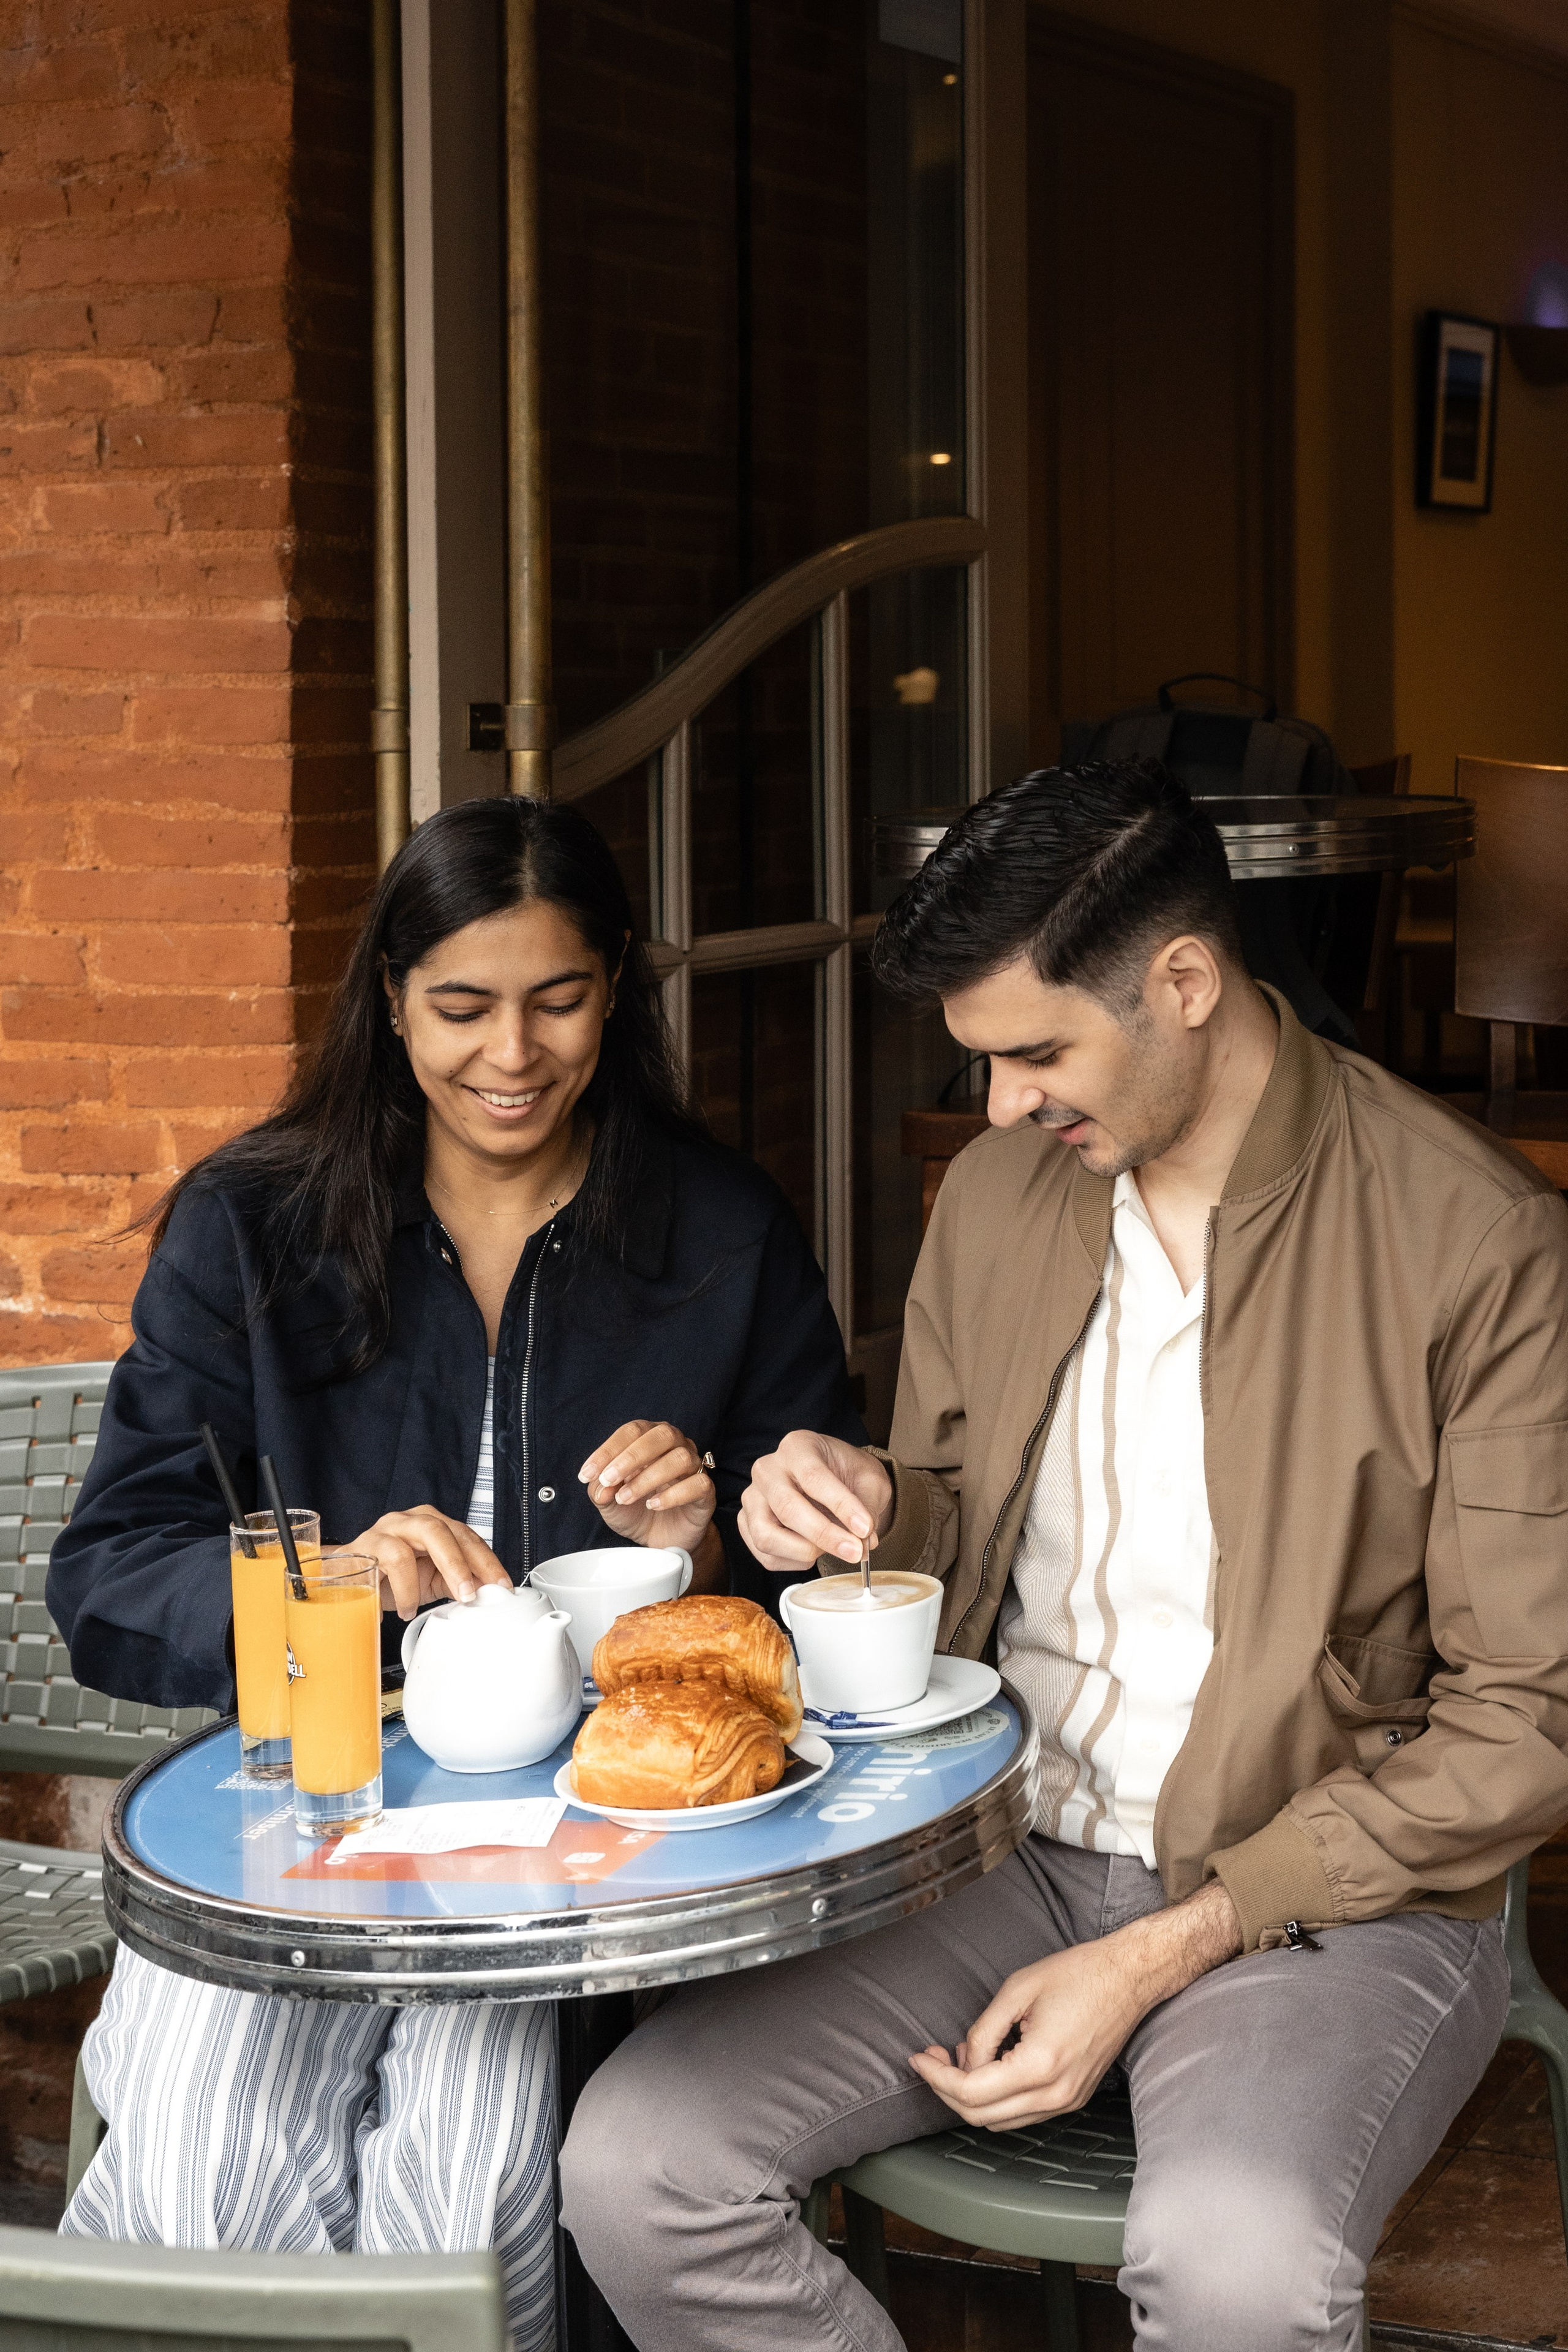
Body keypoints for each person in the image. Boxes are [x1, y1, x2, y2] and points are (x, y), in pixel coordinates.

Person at [559, 759, 1568, 2351]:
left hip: (1322, 1898)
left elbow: (1531, 1719)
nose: (1004, 1104)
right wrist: (866, 1503)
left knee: (1238, 2270)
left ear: (1183, 982)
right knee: (639, 2163)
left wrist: (1169, 1946)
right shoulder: (999, 1194)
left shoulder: (1478, 1245)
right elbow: (965, 1499)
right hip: (993, 1849)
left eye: (1036, 1052)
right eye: (981, 1063)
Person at [50, 794, 864, 2351]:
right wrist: (324, 1590)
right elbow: (108, 1577)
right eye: (461, 1007)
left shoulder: (718, 1228)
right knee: (204, 2159)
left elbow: (801, 1601)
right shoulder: (252, 1226)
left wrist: (708, 1543)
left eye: (556, 999)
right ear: (388, 1000)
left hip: (574, 1863)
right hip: (294, 1817)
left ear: (615, 986)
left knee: (467, 2172)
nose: (512, 1054)